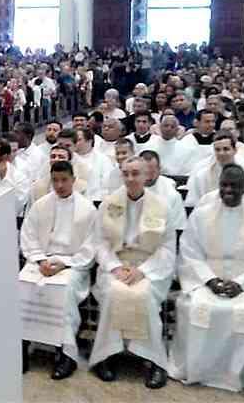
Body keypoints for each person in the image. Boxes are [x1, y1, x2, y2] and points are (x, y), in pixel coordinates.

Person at [169, 164, 244, 392]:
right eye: (224, 185)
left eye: (234, 185)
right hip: (206, 280)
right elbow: (190, 251)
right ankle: (199, 370)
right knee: (198, 307)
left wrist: (241, 284)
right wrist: (210, 280)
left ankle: (240, 375)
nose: (228, 190)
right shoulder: (203, 213)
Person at [89, 158, 180, 389]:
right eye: (126, 174)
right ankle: (107, 355)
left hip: (149, 267)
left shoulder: (162, 206)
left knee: (143, 295)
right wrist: (115, 267)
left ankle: (154, 360)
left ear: (146, 175)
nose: (130, 179)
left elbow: (167, 248)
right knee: (113, 292)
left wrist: (143, 271)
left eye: (135, 173)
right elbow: (99, 243)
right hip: (116, 265)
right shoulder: (109, 203)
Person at [18, 160, 97, 380]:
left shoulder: (87, 209)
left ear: (74, 180)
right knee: (22, 283)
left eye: (64, 180)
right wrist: (40, 259)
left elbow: (91, 246)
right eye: (55, 180)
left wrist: (64, 263)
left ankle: (65, 353)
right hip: (41, 261)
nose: (60, 185)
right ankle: (21, 347)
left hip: (72, 264)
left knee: (64, 290)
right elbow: (28, 235)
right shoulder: (40, 205)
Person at [184, 131, 244, 208]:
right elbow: (193, 203)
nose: (221, 153)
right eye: (217, 150)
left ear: (235, 150)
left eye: (226, 149)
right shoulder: (202, 176)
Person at [139, 150, 187, 222]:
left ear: (159, 170)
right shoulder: (127, 190)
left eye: (152, 172)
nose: (148, 177)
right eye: (145, 172)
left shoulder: (172, 195)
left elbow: (179, 225)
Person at [72, 127, 117, 200]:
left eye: (78, 140)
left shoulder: (103, 159)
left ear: (89, 141)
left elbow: (107, 183)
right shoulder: (69, 157)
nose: (74, 142)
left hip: (96, 199)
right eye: (73, 140)